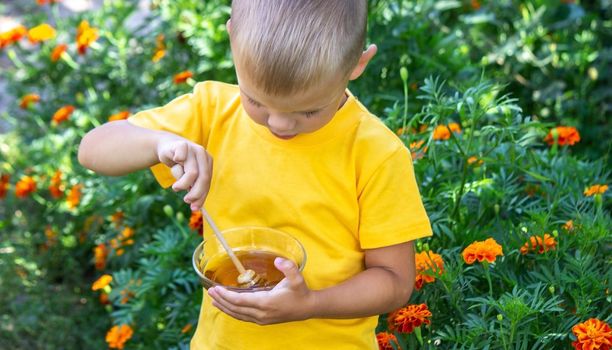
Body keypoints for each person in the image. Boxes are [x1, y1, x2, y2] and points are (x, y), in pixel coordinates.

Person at [78, 1, 432, 349]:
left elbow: (395, 281)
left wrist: (311, 303)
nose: (279, 124)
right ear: (231, 36)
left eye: (308, 111)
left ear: (357, 64)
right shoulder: (212, 112)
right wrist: (159, 143)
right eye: (256, 101)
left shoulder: (375, 153)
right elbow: (93, 149)